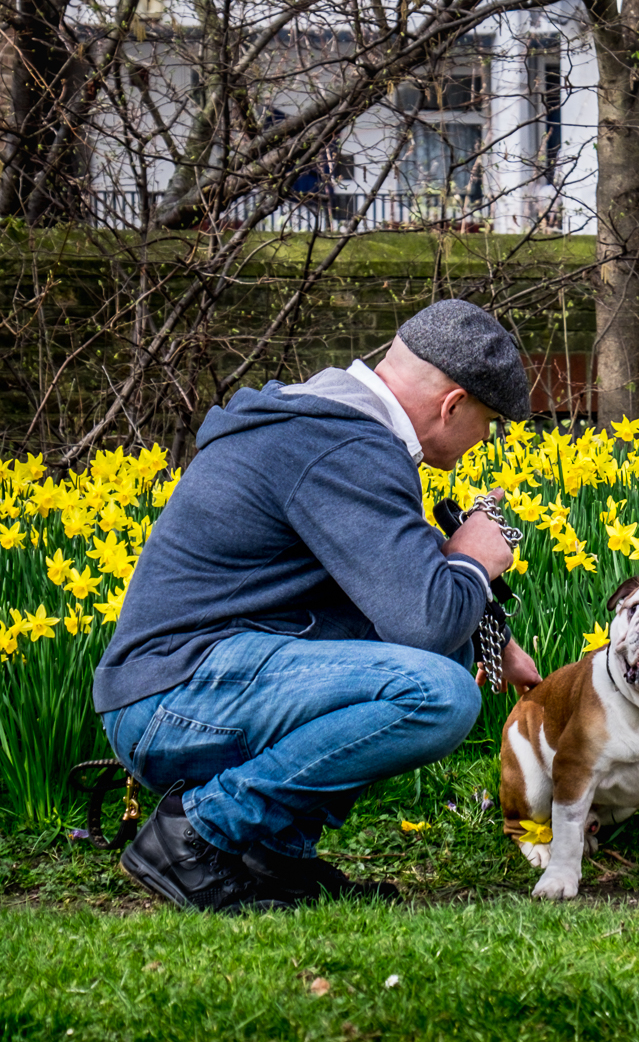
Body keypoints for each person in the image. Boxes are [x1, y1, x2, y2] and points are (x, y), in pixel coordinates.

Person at [95, 299, 541, 912]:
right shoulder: (342, 446)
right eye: (489, 421)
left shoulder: (328, 427)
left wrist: (492, 635)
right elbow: (427, 622)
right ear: (452, 403)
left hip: (189, 683)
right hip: (174, 697)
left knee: (454, 653)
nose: (484, 439)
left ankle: (272, 853)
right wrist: (475, 561)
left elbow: (401, 599)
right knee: (441, 694)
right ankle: (198, 832)